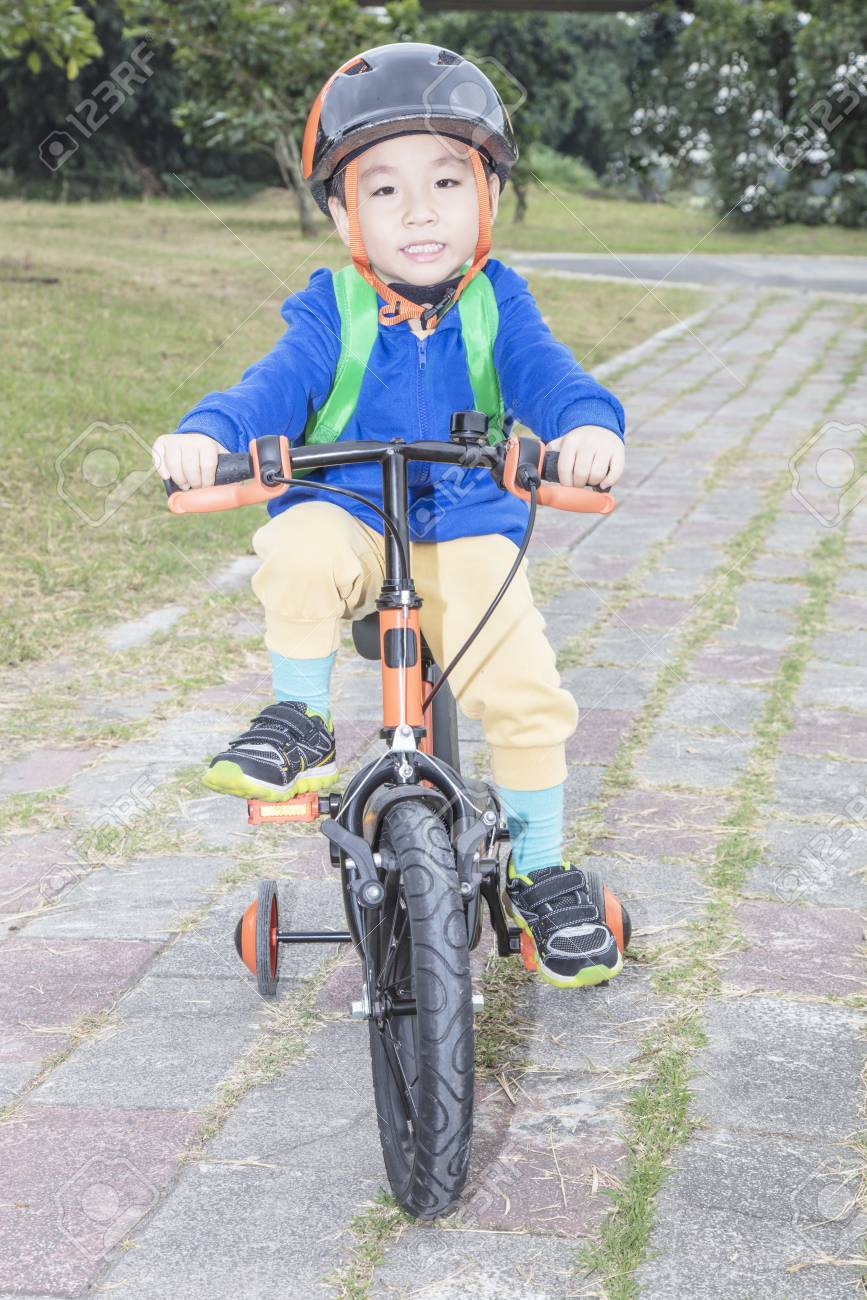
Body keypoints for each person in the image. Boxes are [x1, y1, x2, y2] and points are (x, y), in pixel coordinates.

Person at [152, 42, 628, 989]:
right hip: (349, 513)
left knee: (527, 689)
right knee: (293, 543)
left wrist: (586, 429)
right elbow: (269, 389)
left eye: (447, 181)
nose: (418, 210)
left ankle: (540, 868)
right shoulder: (331, 308)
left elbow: (554, 378)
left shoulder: (499, 303)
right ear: (341, 213)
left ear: (486, 198)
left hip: (464, 526)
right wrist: (207, 435)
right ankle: (300, 719)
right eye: (383, 190)